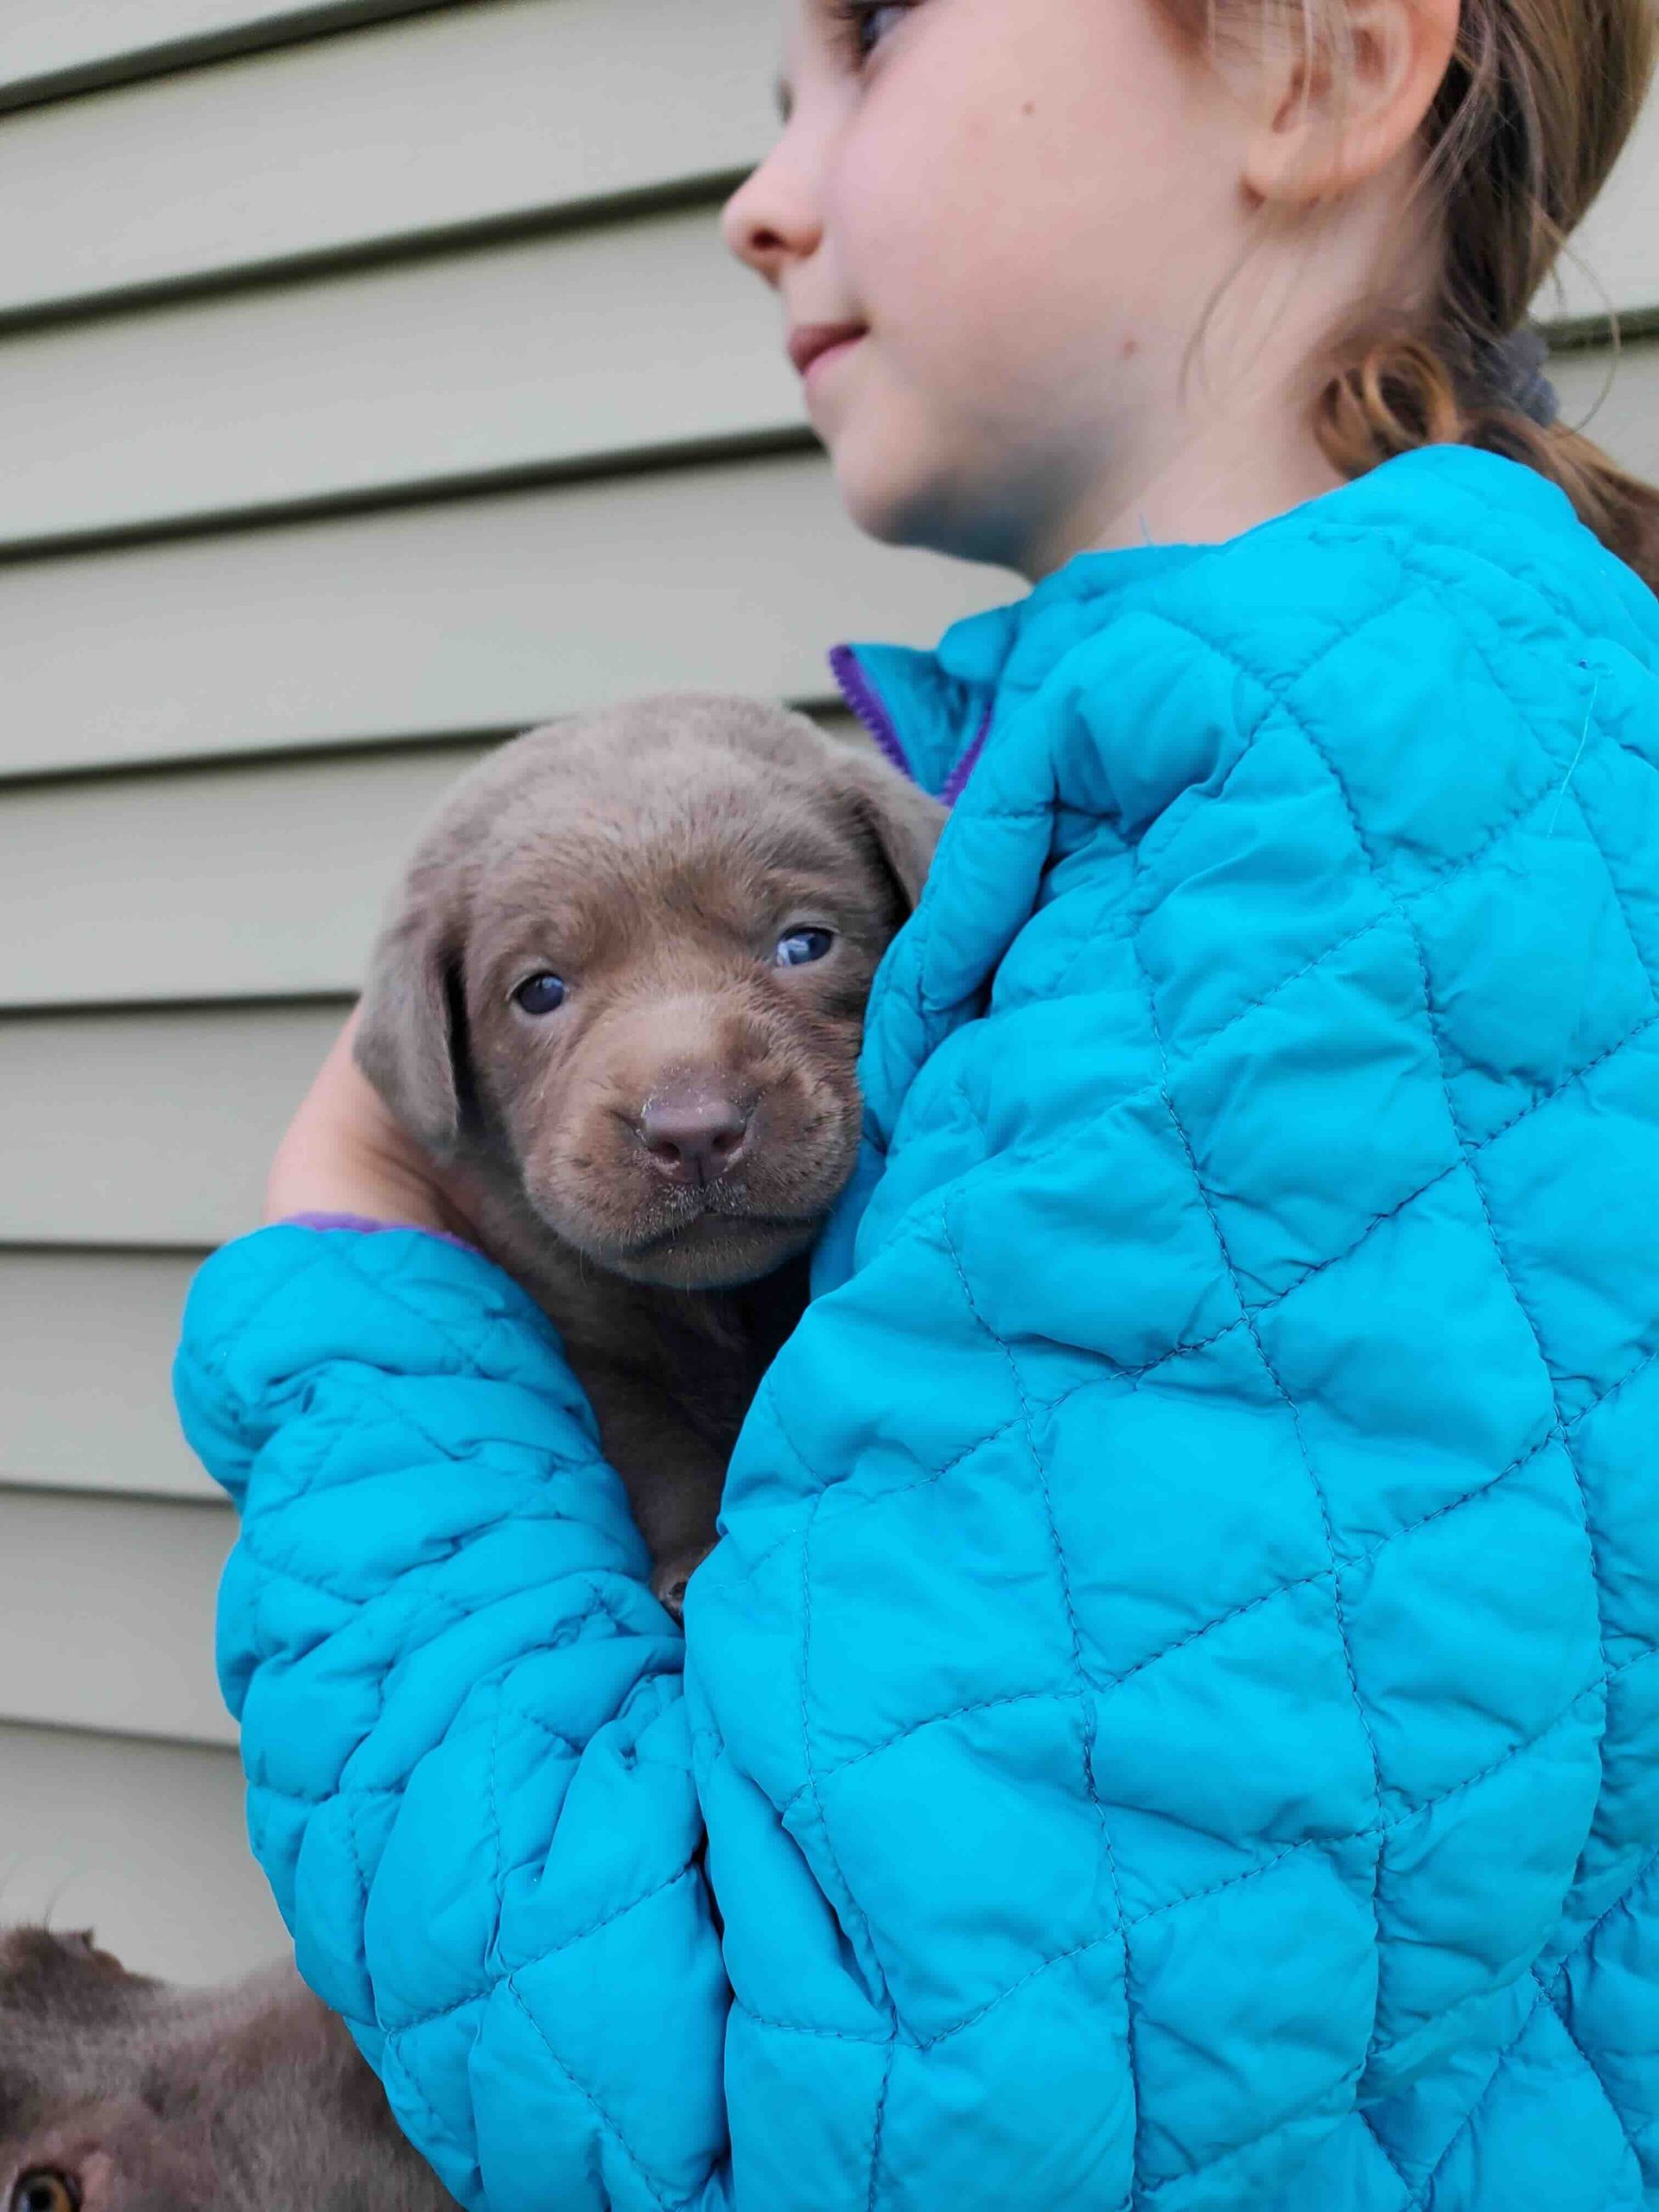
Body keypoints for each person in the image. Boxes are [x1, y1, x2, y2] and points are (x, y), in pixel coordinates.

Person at [173, 0, 1659, 2205]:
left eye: (871, 37)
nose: (763, 198)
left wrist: (363, 1270)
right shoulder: (1263, 791)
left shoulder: (1332, 861)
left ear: (1330, 60)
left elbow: (809, 2129)